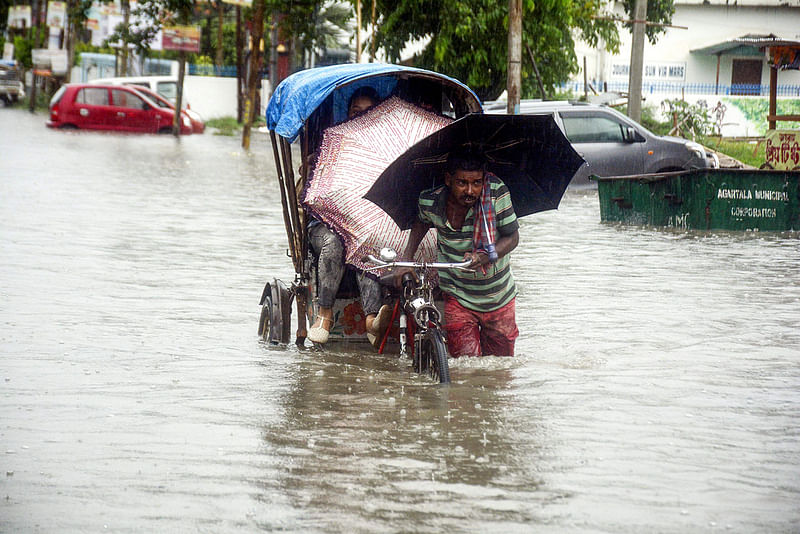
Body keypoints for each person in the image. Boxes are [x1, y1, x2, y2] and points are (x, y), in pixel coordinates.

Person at [400, 147, 520, 356]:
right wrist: (407, 260)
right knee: (466, 367)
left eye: (477, 183)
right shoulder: (430, 201)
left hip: (498, 297)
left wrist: (484, 256)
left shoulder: (497, 193)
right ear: (448, 180)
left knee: (499, 370)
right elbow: (421, 221)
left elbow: (513, 237)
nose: (470, 191)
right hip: (457, 294)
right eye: (462, 183)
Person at [307, 86, 392, 346]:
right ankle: (324, 314)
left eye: (368, 112)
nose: (361, 116)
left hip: (364, 228)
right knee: (337, 241)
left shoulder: (386, 153)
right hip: (324, 226)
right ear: (348, 113)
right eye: (356, 111)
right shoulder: (332, 144)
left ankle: (371, 321)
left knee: (368, 245)